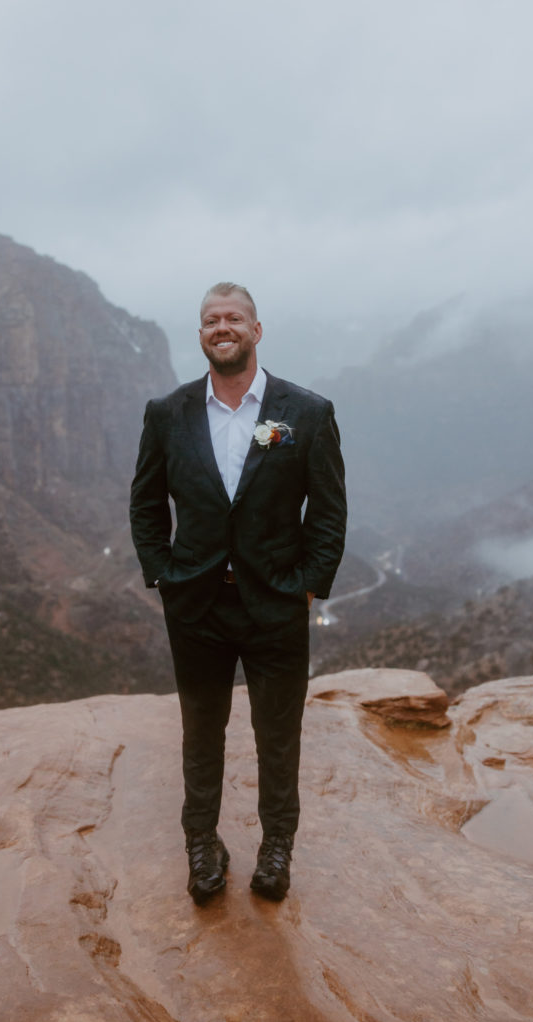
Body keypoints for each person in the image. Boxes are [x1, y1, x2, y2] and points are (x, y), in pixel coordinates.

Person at [130, 282, 346, 904]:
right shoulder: (166, 413)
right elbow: (146, 506)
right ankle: (202, 844)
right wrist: (164, 577)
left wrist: (307, 589)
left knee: (279, 735)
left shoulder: (305, 412)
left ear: (257, 330)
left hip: (275, 604)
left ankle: (277, 848)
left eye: (233, 318)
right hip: (196, 607)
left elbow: (328, 512)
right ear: (201, 334)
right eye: (209, 320)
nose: (221, 327)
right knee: (201, 731)